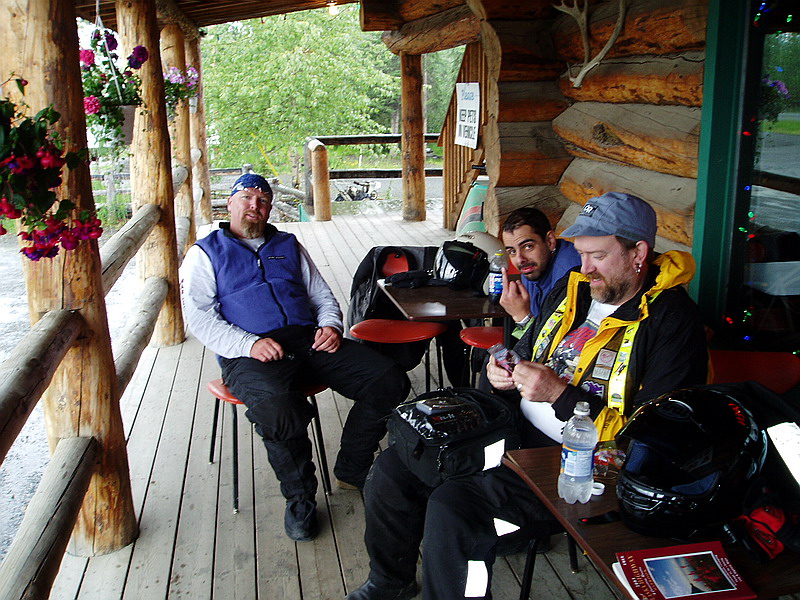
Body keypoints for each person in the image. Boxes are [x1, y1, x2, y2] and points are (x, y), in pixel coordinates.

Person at [346, 192, 709, 600]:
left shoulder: (672, 321)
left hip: (583, 467)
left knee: (456, 509)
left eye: (598, 256)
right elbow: (528, 342)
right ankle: (389, 583)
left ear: (638, 253)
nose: (586, 267)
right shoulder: (576, 289)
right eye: (581, 254)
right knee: (395, 467)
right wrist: (503, 365)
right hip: (512, 429)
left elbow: (652, 438)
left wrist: (558, 394)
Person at [181, 173, 410, 542]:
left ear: (270, 208)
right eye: (247, 198)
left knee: (388, 379)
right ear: (230, 203)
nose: (255, 205)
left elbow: (321, 295)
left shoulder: (288, 245)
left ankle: (352, 467)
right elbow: (200, 318)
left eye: (263, 200)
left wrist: (330, 325)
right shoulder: (206, 252)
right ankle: (300, 498)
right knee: (278, 410)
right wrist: (248, 344)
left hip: (308, 340)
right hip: (249, 353)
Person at [499, 207, 581, 337]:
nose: (520, 259)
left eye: (528, 246)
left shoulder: (571, 274)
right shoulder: (533, 267)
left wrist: (522, 317)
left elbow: (552, 344)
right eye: (512, 251)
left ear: (550, 241)